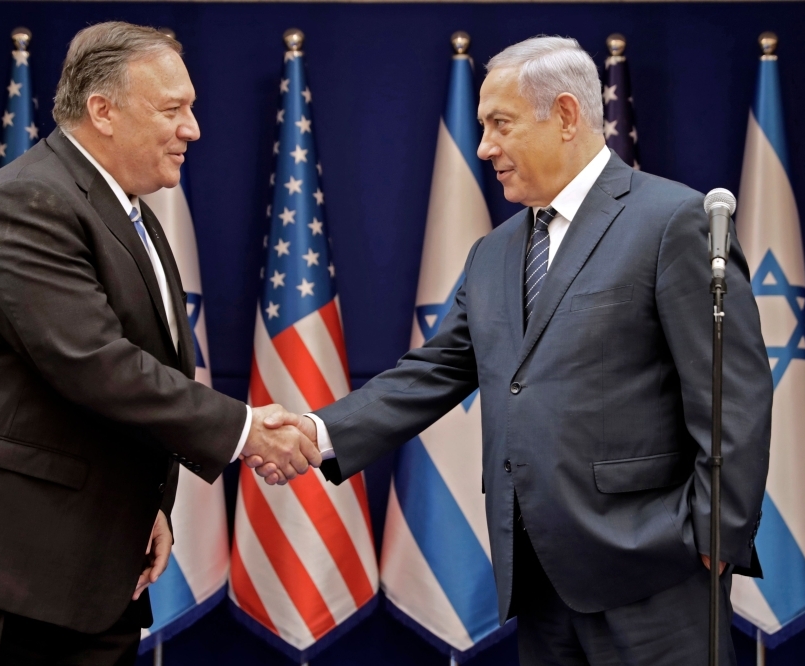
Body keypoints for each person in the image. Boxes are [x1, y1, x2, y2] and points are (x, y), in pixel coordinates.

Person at [258, 36, 772, 665]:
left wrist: (716, 535)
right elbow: (436, 370)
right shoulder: (494, 252)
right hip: (539, 576)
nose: (484, 148)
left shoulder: (672, 220)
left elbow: (731, 396)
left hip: (655, 575)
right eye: (481, 127)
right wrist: (317, 431)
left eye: (498, 125)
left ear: (563, 115)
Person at [0, 22, 317, 665]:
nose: (192, 128)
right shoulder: (30, 200)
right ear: (102, 111)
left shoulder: (127, 212)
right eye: (173, 110)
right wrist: (247, 429)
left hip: (86, 566)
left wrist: (147, 505)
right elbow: (94, 363)